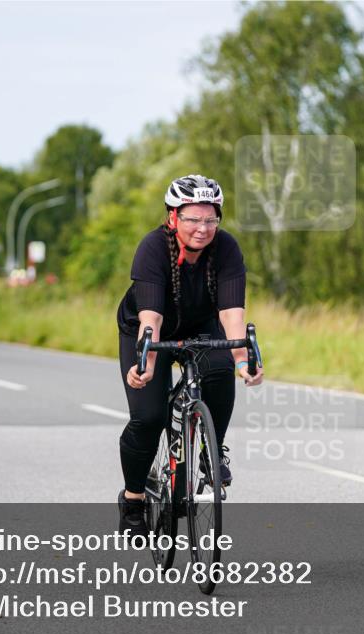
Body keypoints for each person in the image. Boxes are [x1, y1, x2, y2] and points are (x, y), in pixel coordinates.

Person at [115, 174, 264, 536]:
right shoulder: (153, 248)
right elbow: (151, 318)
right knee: (149, 418)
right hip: (148, 330)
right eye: (193, 219)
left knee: (220, 369)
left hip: (201, 327)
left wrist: (243, 361)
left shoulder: (226, 248)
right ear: (173, 217)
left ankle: (212, 452)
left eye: (210, 219)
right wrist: (146, 365)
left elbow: (232, 315)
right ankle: (133, 499)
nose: (203, 228)